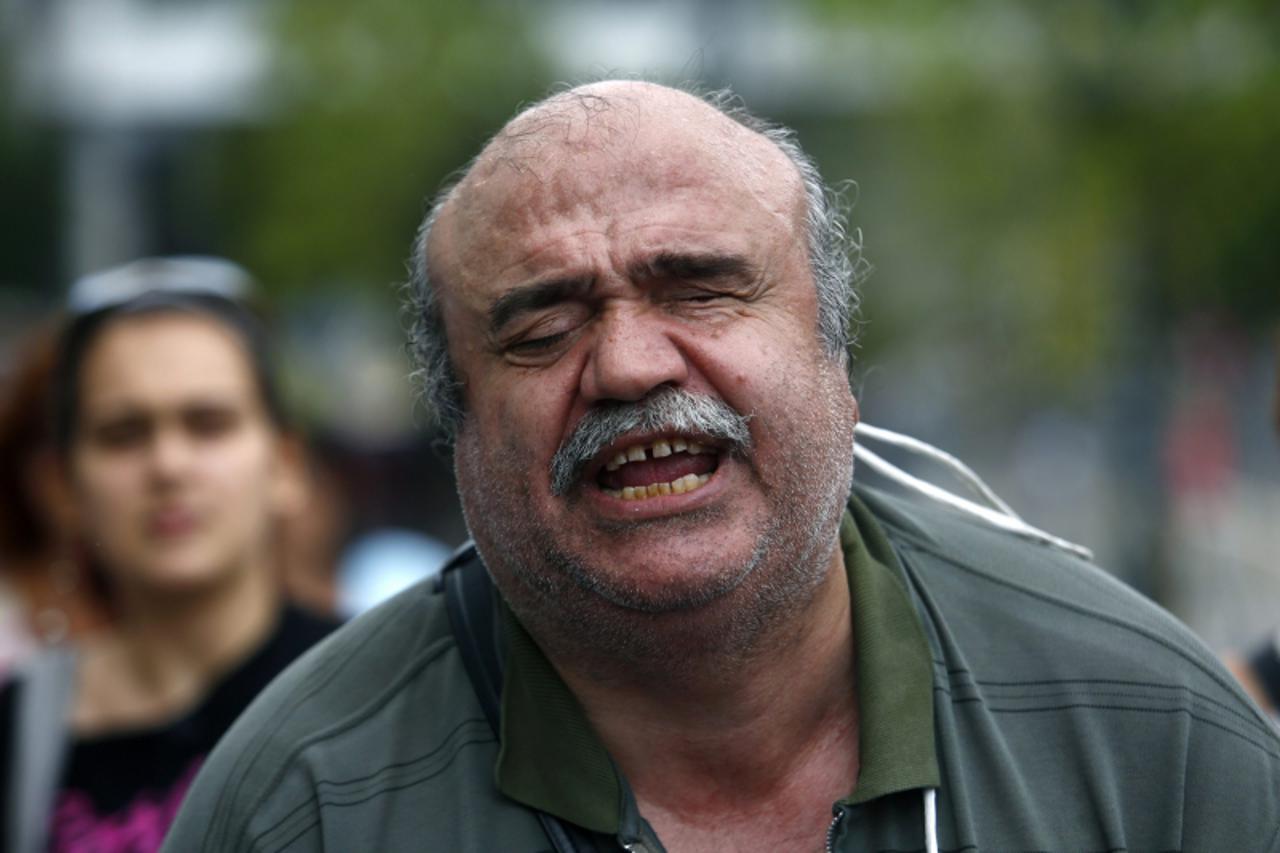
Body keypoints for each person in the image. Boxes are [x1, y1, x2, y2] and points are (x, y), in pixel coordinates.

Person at [165, 82, 1280, 852]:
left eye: (697, 286)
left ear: (836, 362)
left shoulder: (1153, 739)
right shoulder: (300, 804)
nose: (627, 364)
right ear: (457, 431)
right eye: (541, 328)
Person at [2, 257, 338, 853]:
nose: (168, 466)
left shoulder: (382, 687)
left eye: (208, 424)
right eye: (123, 433)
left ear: (286, 464)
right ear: (62, 486)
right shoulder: (19, 732)